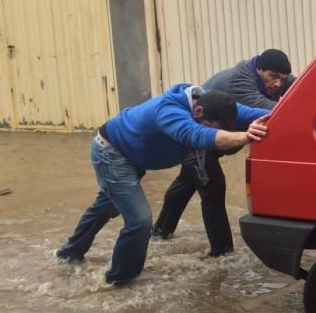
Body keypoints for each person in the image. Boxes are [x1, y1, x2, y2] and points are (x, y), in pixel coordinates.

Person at [55, 84, 269, 285]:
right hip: (112, 154)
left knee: (107, 207)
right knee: (139, 221)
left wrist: (289, 110)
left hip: (132, 156)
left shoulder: (213, 105)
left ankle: (68, 254)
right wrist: (243, 137)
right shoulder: (168, 111)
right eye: (216, 128)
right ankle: (119, 282)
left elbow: (253, 112)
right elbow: (196, 134)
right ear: (198, 112)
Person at [151, 49, 294, 253]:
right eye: (273, 77)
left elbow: (300, 85)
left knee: (187, 182)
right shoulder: (241, 80)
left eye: (282, 79)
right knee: (213, 189)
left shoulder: (269, 78)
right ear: (259, 69)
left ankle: (160, 233)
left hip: (217, 136)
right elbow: (266, 109)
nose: (278, 84)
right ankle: (222, 253)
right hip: (202, 137)